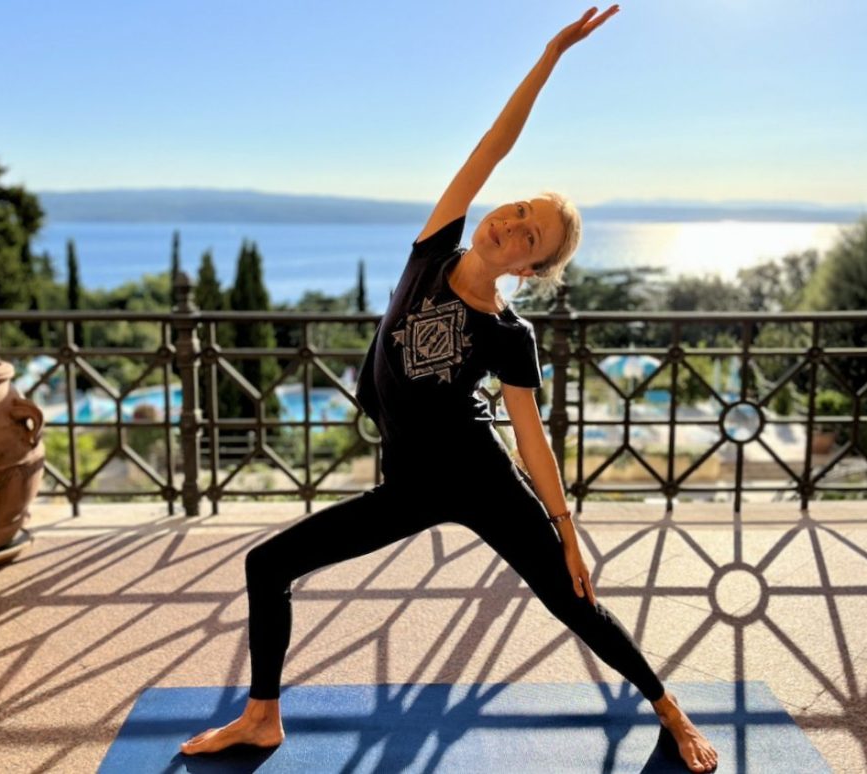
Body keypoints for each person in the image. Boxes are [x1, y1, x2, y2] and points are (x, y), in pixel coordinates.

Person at [182, 6, 718, 772]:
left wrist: (566, 531)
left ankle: (669, 707)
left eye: (530, 235)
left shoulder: (508, 332)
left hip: (480, 479)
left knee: (572, 600)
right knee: (268, 566)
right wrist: (551, 54)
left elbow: (530, 438)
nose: (512, 224)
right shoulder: (433, 250)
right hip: (408, 485)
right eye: (519, 210)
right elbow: (493, 143)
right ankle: (262, 718)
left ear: (528, 268)